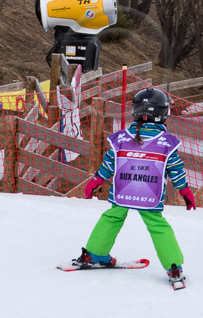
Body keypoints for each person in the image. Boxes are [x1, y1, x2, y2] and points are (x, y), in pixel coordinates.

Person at [75, 87, 195, 284]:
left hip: (122, 192)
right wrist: (185, 191)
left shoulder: (121, 138)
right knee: (158, 225)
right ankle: (174, 266)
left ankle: (94, 253)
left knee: (112, 217)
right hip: (150, 195)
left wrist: (96, 180)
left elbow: (108, 163)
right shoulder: (166, 142)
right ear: (163, 114)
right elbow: (176, 169)